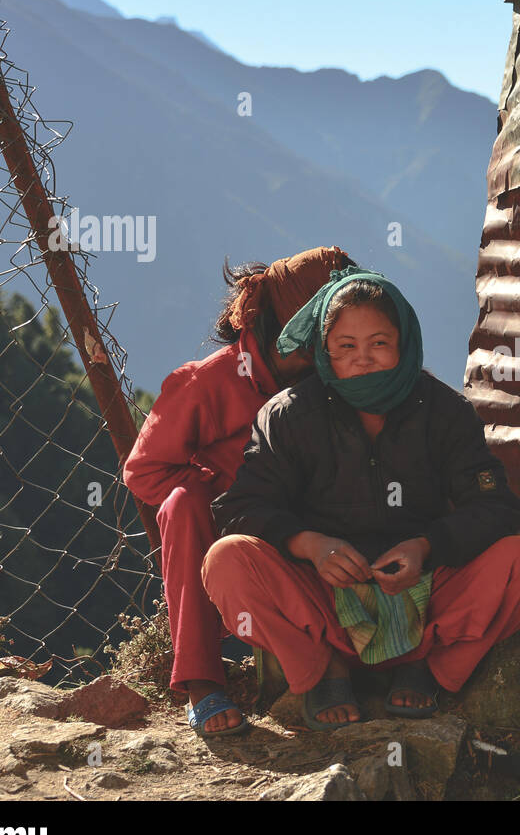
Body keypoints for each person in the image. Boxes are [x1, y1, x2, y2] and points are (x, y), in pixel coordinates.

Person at [203, 266, 520, 728]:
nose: (362, 359)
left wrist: (426, 547)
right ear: (324, 351)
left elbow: (496, 508)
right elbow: (241, 509)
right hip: (324, 605)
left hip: (425, 602)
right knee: (226, 560)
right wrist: (310, 545)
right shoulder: (289, 416)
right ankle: (324, 669)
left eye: (379, 344)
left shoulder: (444, 411)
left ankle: (428, 667)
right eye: (346, 347)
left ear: (403, 343)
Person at [122, 245, 356, 737]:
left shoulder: (330, 379)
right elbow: (143, 472)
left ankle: (360, 652)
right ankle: (201, 684)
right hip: (229, 526)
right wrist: (221, 492)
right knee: (182, 507)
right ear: (283, 326)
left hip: (300, 522)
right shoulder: (207, 382)